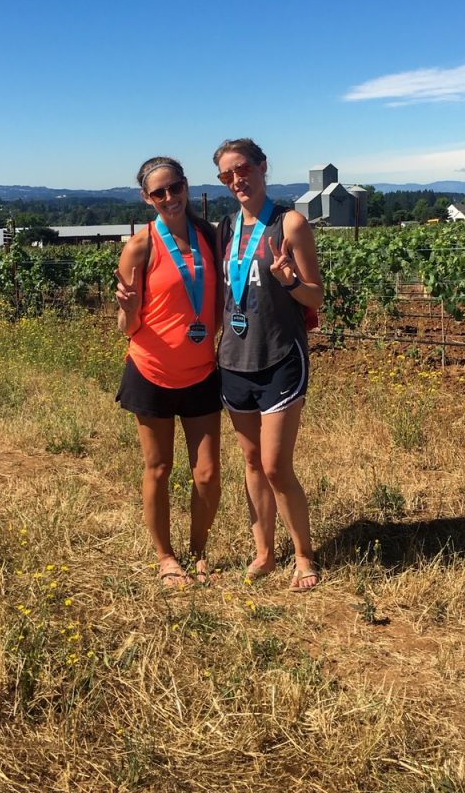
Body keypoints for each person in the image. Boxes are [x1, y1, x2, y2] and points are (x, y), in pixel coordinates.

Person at [213, 138, 324, 591]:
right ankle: (264, 552)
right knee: (253, 462)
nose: (237, 179)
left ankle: (303, 555)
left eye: (243, 169)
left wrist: (290, 280)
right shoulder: (225, 229)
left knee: (277, 465)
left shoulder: (290, 224)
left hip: (280, 357)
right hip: (234, 361)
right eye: (226, 175)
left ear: (262, 167)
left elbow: (316, 296)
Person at [114, 156, 222, 587]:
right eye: (158, 193)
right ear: (146, 198)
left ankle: (199, 552)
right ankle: (165, 557)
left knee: (208, 472)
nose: (169, 198)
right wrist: (127, 310)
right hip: (151, 370)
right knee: (158, 468)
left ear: (186, 187)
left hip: (201, 371)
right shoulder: (139, 247)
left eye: (174, 188)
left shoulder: (211, 238)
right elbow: (128, 326)